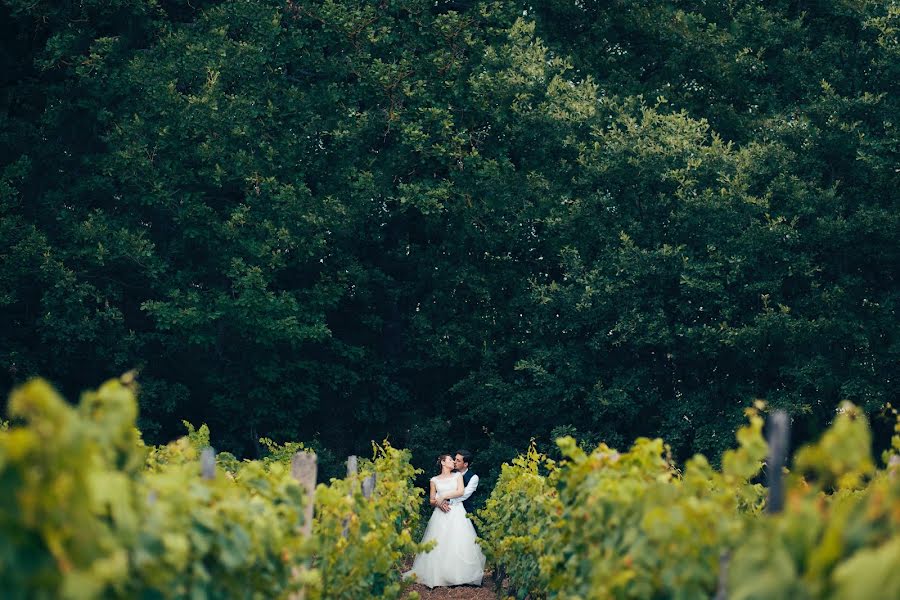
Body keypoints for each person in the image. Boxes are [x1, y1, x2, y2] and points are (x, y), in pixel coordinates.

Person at [404, 454, 485, 588]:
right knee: (440, 543)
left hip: (456, 511)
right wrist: (439, 504)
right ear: (443, 462)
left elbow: (460, 492)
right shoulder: (434, 480)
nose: (453, 461)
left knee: (458, 541)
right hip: (440, 513)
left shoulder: (457, 476)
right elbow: (431, 500)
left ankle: (459, 575)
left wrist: (443, 496)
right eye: (450, 460)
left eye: (455, 460)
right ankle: (439, 575)